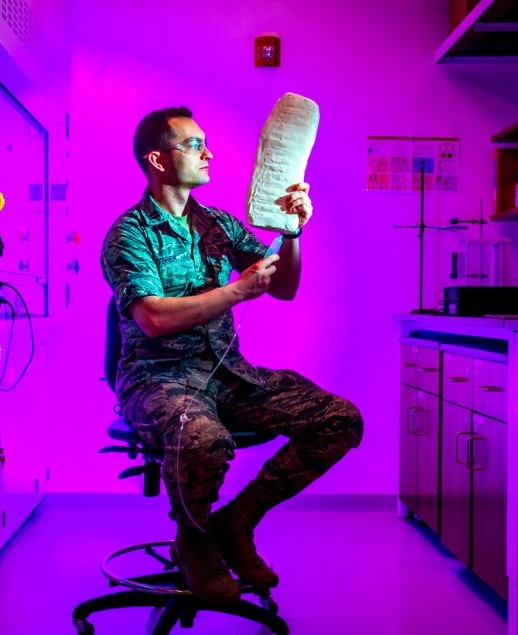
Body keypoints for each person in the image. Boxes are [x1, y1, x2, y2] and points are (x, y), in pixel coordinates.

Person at [100, 106, 363, 606]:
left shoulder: (218, 224)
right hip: (157, 379)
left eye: (205, 142)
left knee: (340, 419)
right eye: (194, 144)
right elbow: (153, 318)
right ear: (157, 159)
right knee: (205, 442)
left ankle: (235, 522)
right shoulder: (128, 234)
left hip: (226, 375)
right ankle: (194, 541)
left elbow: (283, 287)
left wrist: (291, 233)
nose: (208, 153)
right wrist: (238, 293)